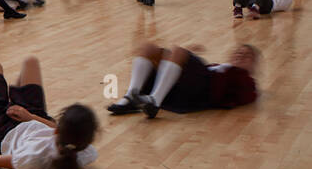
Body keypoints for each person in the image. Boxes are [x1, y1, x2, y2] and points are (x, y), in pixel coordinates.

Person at [107, 42, 258, 118]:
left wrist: (185, 55)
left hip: (204, 88)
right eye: (238, 52)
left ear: (253, 65)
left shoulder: (247, 80)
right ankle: (130, 97)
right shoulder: (221, 66)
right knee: (148, 48)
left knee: (179, 51)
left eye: (246, 55)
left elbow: (242, 96)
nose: (240, 55)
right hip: (192, 82)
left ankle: (154, 100)